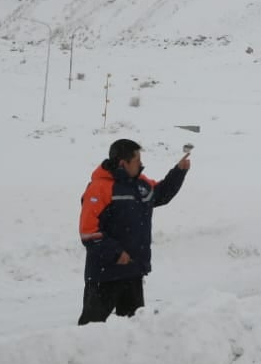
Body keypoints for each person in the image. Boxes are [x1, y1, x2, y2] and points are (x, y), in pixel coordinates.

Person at [77, 137, 191, 325]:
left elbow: (161, 194)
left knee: (134, 330)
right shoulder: (99, 188)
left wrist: (179, 171)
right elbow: (88, 232)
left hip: (132, 272)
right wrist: (116, 253)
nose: (141, 164)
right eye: (137, 160)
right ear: (123, 163)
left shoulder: (140, 184)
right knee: (90, 328)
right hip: (105, 274)